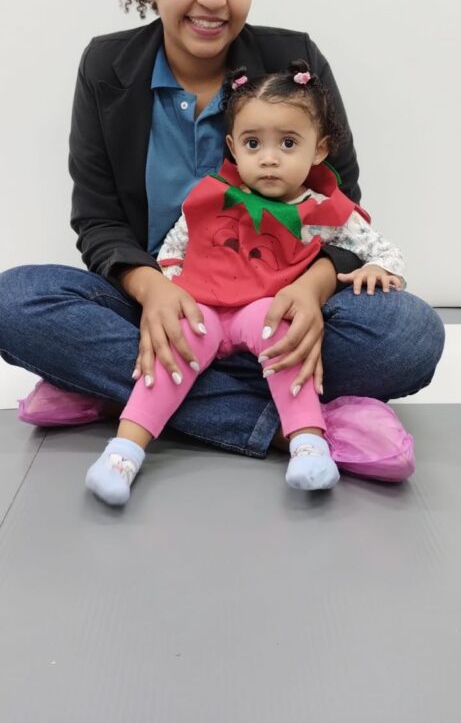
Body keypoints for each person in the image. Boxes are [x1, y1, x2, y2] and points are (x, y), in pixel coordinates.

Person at [0, 0, 444, 474]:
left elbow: (340, 202)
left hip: (280, 308)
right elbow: (98, 223)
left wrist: (313, 289)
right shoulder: (106, 68)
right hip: (171, 306)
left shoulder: (294, 63)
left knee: (412, 335)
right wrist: (153, 289)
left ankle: (126, 394)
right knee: (16, 301)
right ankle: (294, 425)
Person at [86, 61, 407, 504]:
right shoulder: (211, 195)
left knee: (290, 331)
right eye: (253, 143)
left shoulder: (325, 211)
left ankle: (307, 443)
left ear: (319, 149)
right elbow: (173, 248)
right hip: (203, 306)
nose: (269, 158)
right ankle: (123, 453)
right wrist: (172, 287)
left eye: (288, 143)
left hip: (262, 312)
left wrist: (376, 269)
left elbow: (387, 255)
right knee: (172, 341)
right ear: (233, 147)